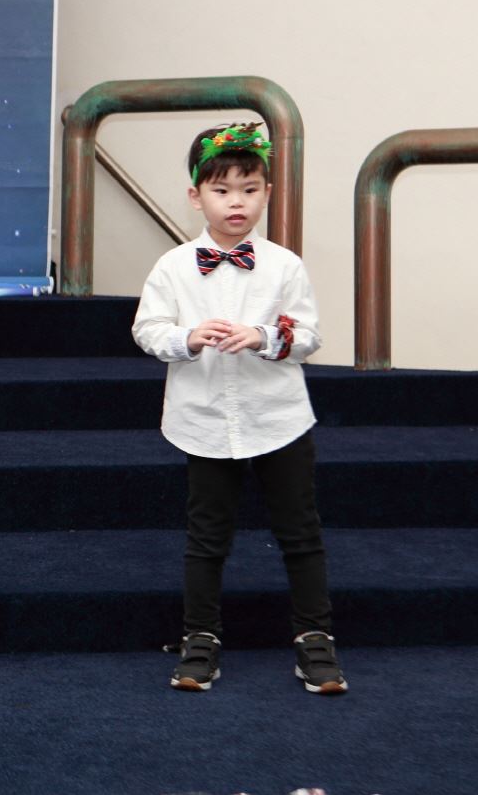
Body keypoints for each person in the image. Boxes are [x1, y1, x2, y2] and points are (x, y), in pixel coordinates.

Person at [131, 123, 347, 695]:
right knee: (207, 536)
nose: (237, 202)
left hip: (278, 418)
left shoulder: (285, 265)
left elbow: (309, 335)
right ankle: (200, 638)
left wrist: (264, 336)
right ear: (195, 196)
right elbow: (146, 330)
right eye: (222, 190)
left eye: (250, 190)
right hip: (203, 421)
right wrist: (186, 337)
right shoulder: (173, 266)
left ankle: (315, 638)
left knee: (300, 532)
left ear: (267, 194)